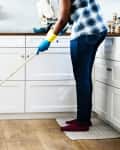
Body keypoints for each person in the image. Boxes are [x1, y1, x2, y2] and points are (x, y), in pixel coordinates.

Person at [36, 0, 108, 132]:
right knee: (85, 78)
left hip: (85, 33)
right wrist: (62, 26)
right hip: (98, 30)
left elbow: (63, 18)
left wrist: (48, 39)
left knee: (82, 79)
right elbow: (70, 14)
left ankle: (82, 123)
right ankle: (84, 118)